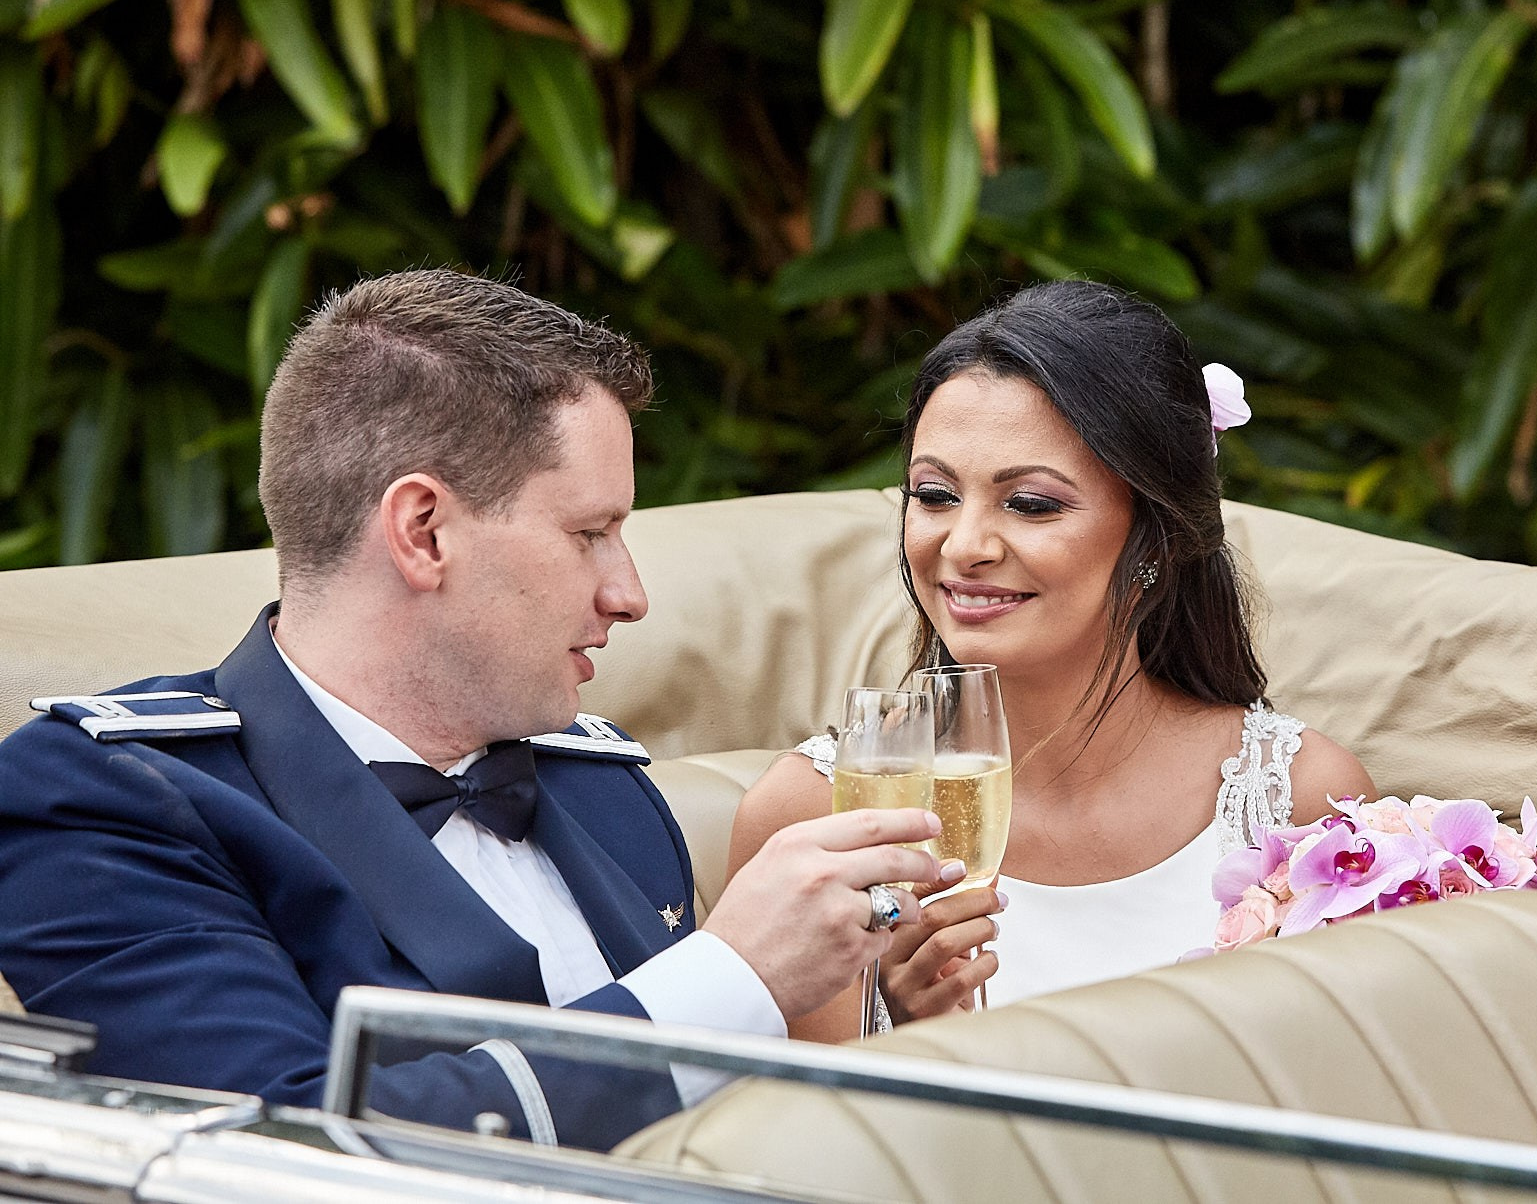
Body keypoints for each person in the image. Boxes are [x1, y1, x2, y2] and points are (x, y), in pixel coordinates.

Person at [0, 271, 956, 1151]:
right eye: (591, 534)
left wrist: (886, 1021)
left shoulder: (596, 780)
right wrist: (732, 976)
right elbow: (283, 1153)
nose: (629, 594)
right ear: (423, 531)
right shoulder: (104, 796)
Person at [731, 281, 1375, 1040]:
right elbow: (787, 1142)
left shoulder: (1299, 803)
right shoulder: (812, 817)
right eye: (934, 494)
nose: (964, 545)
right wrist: (904, 1034)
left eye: (1030, 503)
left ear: (1158, 536)